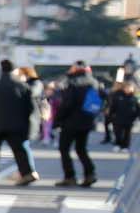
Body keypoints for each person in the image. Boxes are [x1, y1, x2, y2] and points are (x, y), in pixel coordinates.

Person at [0, 59, 37, 185]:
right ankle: (27, 173)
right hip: (17, 125)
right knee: (19, 150)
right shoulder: (22, 86)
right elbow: (31, 108)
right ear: (14, 70)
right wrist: (29, 126)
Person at [55, 59, 102, 188]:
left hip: (71, 121)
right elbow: (102, 100)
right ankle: (90, 173)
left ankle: (70, 176)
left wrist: (58, 119)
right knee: (81, 149)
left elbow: (67, 104)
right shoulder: (94, 83)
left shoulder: (73, 82)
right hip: (87, 121)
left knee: (64, 148)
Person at [110, 81, 140, 151]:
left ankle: (125, 146)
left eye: (130, 88)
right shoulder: (118, 96)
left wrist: (136, 117)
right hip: (118, 118)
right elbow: (113, 107)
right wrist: (111, 115)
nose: (128, 89)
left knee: (127, 134)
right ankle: (118, 144)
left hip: (129, 119)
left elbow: (138, 109)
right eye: (127, 87)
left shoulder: (134, 98)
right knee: (118, 133)